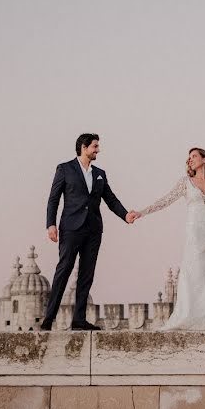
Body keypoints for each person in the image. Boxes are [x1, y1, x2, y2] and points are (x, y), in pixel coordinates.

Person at [41, 133, 136, 331]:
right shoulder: (65, 169)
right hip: (70, 228)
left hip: (93, 230)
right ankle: (48, 319)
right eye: (95, 146)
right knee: (64, 270)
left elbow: (110, 199)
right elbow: (53, 199)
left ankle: (79, 320)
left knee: (87, 274)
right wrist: (51, 224)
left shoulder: (99, 172)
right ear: (84, 147)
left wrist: (125, 215)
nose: (98, 150)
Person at [130, 147, 205, 330]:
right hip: (195, 234)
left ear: (204, 159)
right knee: (192, 275)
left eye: (194, 156)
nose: (190, 160)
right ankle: (188, 316)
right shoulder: (185, 182)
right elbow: (165, 200)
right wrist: (142, 212)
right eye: (189, 157)